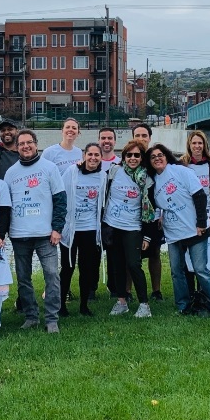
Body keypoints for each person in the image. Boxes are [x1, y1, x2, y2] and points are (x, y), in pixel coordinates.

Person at [147, 143, 210, 317]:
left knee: (200, 269)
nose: (157, 158)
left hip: (194, 229)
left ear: (166, 156)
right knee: (176, 271)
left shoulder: (181, 171)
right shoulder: (153, 182)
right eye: (153, 157)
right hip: (173, 233)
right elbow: (156, 206)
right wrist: (159, 217)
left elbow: (200, 196)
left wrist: (201, 223)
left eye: (160, 155)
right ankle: (183, 305)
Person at [6, 129, 66, 333]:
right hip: (19, 235)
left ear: (36, 144)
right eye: (21, 143)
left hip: (46, 235)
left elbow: (60, 200)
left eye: (29, 142)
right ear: (16, 147)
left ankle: (51, 319)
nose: (25, 146)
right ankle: (31, 316)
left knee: (51, 276)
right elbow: (6, 206)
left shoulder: (50, 168)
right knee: (23, 278)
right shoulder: (10, 173)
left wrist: (57, 228)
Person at [102, 141, 154, 317]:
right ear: (123, 156)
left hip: (133, 227)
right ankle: (121, 301)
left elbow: (150, 209)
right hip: (112, 224)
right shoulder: (114, 171)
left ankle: (144, 304)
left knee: (133, 264)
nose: (132, 158)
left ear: (142, 157)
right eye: (129, 155)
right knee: (116, 265)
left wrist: (147, 236)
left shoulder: (147, 178)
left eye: (137, 155)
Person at [59, 143, 107, 316]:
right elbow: (60, 195)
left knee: (86, 268)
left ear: (101, 157)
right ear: (84, 155)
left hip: (90, 229)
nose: (93, 158)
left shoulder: (102, 176)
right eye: (90, 154)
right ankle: (61, 305)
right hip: (70, 229)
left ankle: (84, 305)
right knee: (67, 268)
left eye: (97, 155)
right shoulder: (72, 172)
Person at [181, 131, 210, 294]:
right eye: (194, 143)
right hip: (188, 218)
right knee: (188, 256)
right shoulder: (182, 166)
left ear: (204, 145)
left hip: (207, 218)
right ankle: (191, 292)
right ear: (189, 145)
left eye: (200, 143)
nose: (197, 146)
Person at [130, 123, 163, 299]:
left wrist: (162, 213)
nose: (141, 139)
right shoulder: (130, 157)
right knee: (130, 254)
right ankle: (127, 292)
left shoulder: (154, 159)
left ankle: (156, 290)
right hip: (132, 215)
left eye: (144, 136)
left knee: (154, 252)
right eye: (137, 135)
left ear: (149, 138)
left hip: (153, 215)